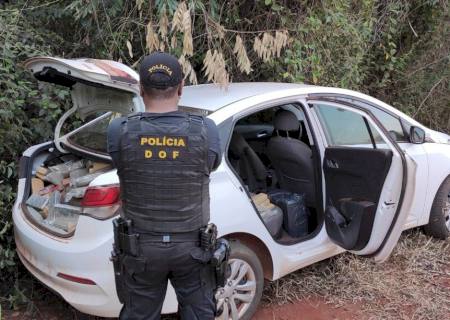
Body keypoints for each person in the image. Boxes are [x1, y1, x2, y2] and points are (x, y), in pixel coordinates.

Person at [107, 52, 222, 320]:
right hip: (193, 248)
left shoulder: (118, 130)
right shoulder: (207, 129)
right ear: (181, 88)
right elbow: (210, 164)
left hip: (140, 249)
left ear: (140, 89)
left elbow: (120, 161)